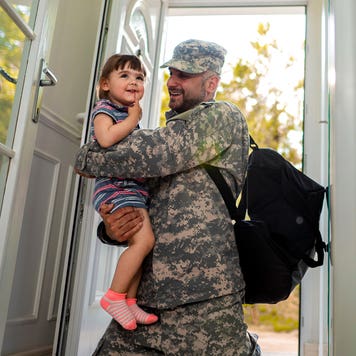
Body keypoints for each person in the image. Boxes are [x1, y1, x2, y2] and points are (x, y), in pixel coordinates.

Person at [75, 39, 261, 355]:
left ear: (211, 83)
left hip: (206, 301)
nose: (172, 82)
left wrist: (85, 155)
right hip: (145, 299)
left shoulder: (221, 117)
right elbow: (137, 200)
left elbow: (149, 154)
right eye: (171, 73)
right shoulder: (164, 133)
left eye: (184, 75)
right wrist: (111, 228)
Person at [89, 53, 158, 330]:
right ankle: (114, 296)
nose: (134, 82)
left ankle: (130, 302)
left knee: (139, 246)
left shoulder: (127, 113)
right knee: (144, 242)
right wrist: (132, 120)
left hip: (131, 188)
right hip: (116, 188)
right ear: (105, 84)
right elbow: (105, 139)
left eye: (139, 77)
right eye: (125, 76)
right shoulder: (105, 109)